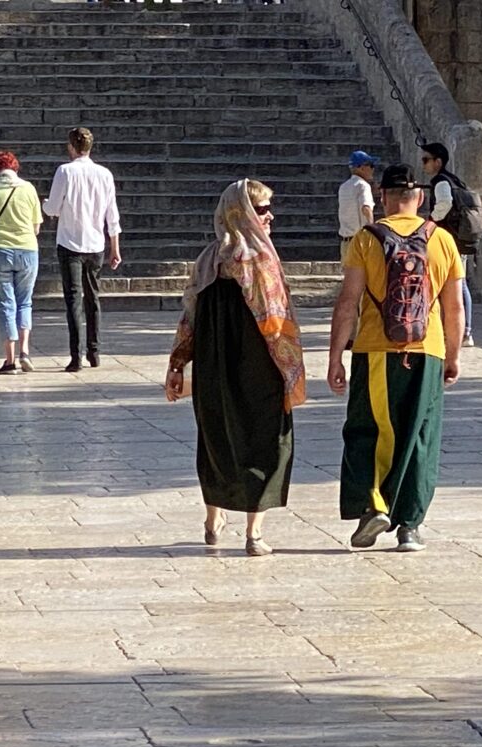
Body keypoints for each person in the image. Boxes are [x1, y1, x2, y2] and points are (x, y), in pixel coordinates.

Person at [327, 163, 465, 553]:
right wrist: (452, 355)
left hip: (375, 350)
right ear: (419, 198)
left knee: (369, 430)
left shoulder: (366, 240)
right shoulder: (442, 240)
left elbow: (347, 303)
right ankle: (410, 526)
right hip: (429, 350)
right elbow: (454, 308)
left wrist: (336, 356)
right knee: (420, 436)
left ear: (384, 197)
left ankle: (373, 507)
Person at [165, 179, 305, 557]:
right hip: (257, 367)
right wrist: (290, 371)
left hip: (214, 367)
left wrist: (178, 363)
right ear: (242, 213)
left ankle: (213, 521)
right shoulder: (260, 261)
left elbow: (189, 316)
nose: (270, 216)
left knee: (216, 440)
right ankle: (253, 534)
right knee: (265, 442)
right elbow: (276, 323)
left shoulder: (209, 259)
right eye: (262, 210)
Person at [42, 127, 122, 373]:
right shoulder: (104, 174)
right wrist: (115, 247)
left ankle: (75, 355)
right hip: (96, 243)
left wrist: (45, 205)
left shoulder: (65, 171)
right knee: (93, 298)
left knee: (74, 300)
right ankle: (94, 351)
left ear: (71, 147)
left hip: (70, 242)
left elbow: (53, 208)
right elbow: (112, 214)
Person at [0, 151, 42, 375]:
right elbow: (36, 226)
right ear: (16, 167)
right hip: (27, 249)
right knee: (25, 302)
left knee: (5, 304)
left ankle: (10, 359)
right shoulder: (28, 188)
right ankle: (25, 351)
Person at [421, 142, 476, 347]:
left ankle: (465, 331)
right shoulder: (453, 180)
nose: (424, 164)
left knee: (459, 284)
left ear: (438, 162)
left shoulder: (441, 182)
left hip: (451, 240)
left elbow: (444, 204)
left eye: (427, 160)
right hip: (457, 239)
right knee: (456, 283)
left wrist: (430, 223)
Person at [337, 150, 377, 262]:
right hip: (360, 241)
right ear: (362, 167)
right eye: (371, 165)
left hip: (345, 242)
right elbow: (366, 208)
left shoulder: (343, 187)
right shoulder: (363, 186)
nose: (373, 169)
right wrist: (373, 231)